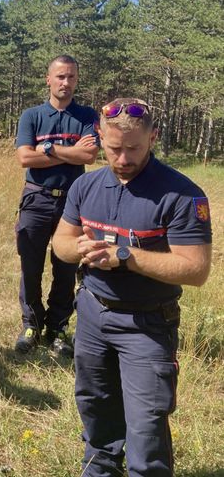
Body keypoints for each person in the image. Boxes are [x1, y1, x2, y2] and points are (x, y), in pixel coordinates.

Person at [52, 98, 212, 476]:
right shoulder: (86, 185)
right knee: (95, 409)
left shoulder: (181, 194)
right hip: (91, 313)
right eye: (113, 148)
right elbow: (60, 243)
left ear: (153, 137)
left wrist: (125, 256)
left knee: (146, 428)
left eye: (134, 148)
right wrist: (77, 248)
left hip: (147, 325)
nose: (123, 158)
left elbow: (196, 269)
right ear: (99, 137)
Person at [13, 55, 99, 356]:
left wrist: (47, 148)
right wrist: (70, 151)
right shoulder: (32, 116)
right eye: (60, 76)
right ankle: (31, 324)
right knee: (31, 265)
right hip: (36, 199)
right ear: (48, 79)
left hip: (74, 202)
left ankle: (58, 327)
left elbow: (89, 157)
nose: (66, 82)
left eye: (71, 77)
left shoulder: (87, 116)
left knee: (66, 266)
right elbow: (25, 158)